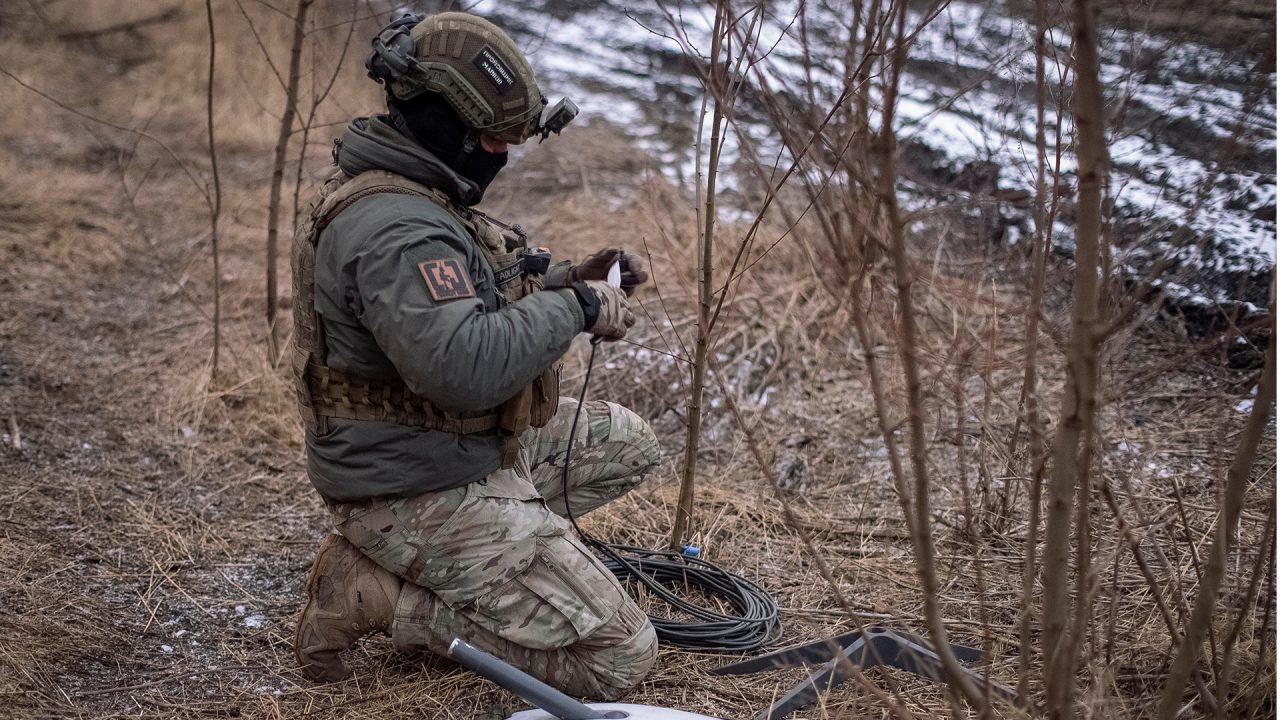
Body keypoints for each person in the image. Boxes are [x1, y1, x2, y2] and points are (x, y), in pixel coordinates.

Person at [288, 11, 661, 701]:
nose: (501, 155)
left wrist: (567, 281)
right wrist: (574, 309)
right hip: (404, 485)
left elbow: (467, 305)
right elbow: (461, 368)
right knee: (620, 656)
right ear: (441, 123)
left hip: (450, 449)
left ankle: (498, 552)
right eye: (491, 138)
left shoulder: (420, 196)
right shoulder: (397, 228)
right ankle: (376, 595)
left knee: (630, 443)